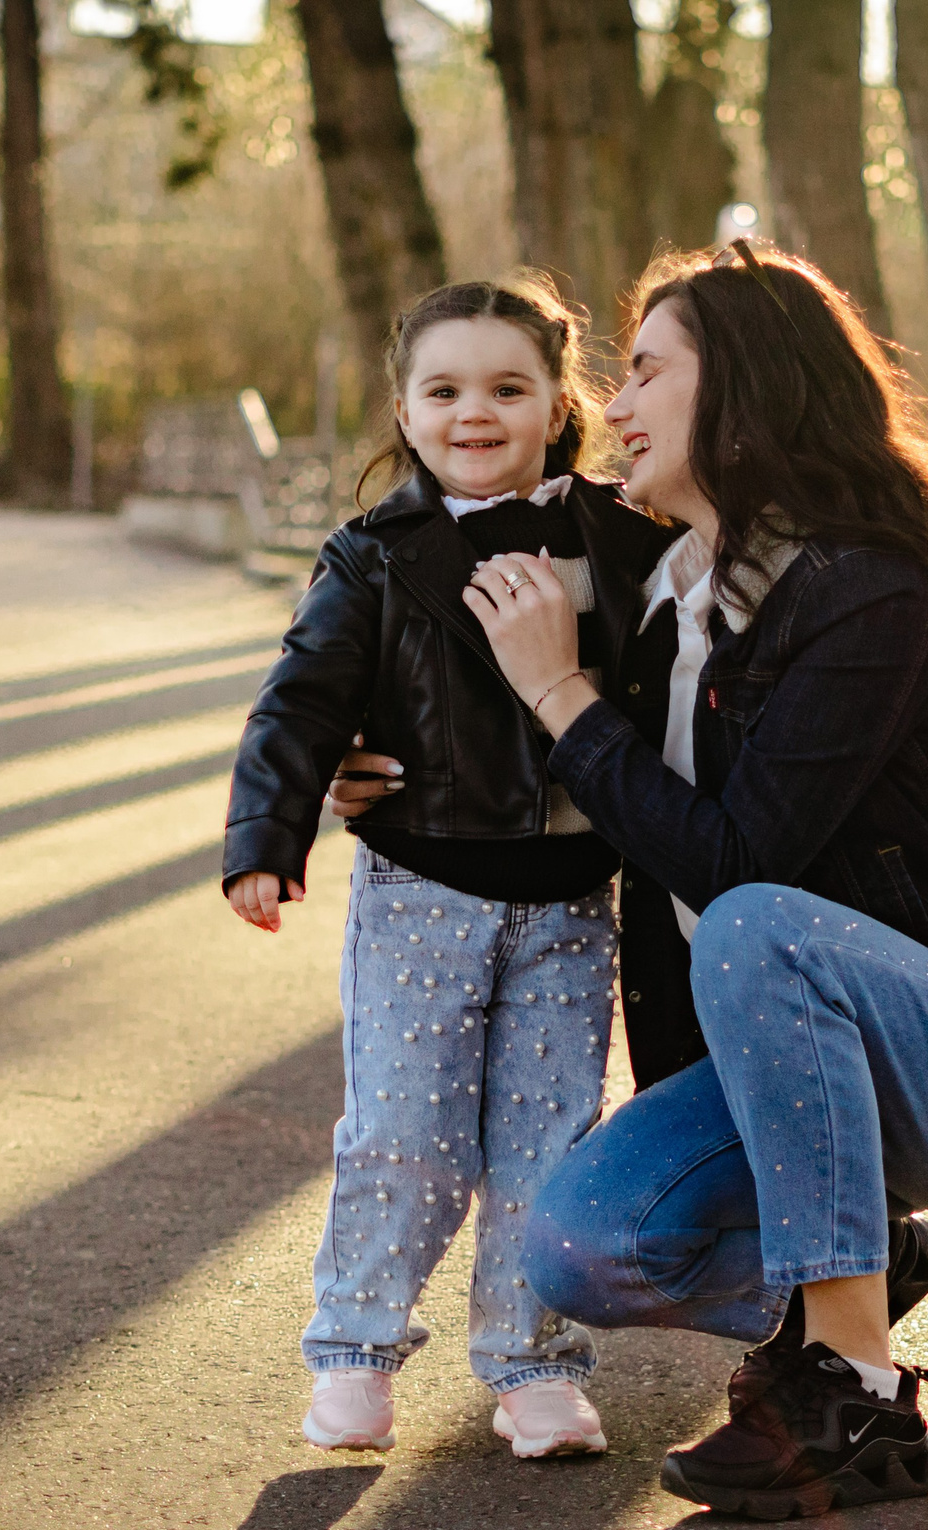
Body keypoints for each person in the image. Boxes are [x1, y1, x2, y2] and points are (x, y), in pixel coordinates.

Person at [451, 241, 928, 1520]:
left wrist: (558, 691)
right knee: (583, 1246)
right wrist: (365, 778)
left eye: (645, 372)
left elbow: (740, 861)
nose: (612, 406)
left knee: (753, 920)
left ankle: (854, 1391)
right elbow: (611, 789)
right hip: (785, 1073)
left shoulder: (869, 593)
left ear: (741, 389)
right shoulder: (669, 598)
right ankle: (861, 1256)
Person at [222, 276, 682, 1460]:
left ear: (554, 402)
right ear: (405, 408)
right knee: (405, 1136)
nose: (473, 412)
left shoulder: (625, 539)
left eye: (504, 387)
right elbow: (299, 706)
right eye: (444, 389)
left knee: (548, 1139)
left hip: (572, 900)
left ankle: (532, 1368)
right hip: (420, 889)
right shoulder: (374, 555)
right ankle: (355, 1349)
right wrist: (266, 841)